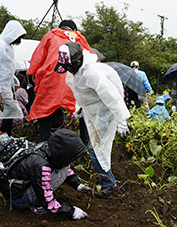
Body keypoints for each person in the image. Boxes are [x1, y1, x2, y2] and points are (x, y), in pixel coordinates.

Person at [55, 42, 131, 196]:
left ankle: (108, 185)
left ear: (77, 62)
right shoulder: (76, 70)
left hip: (105, 111)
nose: (67, 70)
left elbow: (111, 95)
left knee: (96, 149)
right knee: (96, 148)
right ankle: (107, 181)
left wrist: (121, 119)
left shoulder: (91, 72)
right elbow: (80, 92)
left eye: (69, 66)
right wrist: (78, 109)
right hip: (92, 110)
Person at [0, 128, 91, 219]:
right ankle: (35, 206)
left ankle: (36, 197)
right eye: (71, 159)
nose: (72, 162)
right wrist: (73, 212)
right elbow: (49, 203)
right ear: (63, 154)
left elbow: (66, 168)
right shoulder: (42, 166)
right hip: (17, 199)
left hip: (18, 188)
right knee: (59, 174)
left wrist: (79, 185)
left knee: (62, 170)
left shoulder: (48, 149)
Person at [27, 19, 94, 142]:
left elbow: (38, 57)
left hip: (52, 77)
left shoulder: (51, 35)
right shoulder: (79, 38)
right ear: (74, 30)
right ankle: (85, 142)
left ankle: (44, 143)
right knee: (83, 110)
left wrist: (33, 73)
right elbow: (91, 59)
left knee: (45, 109)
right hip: (75, 78)